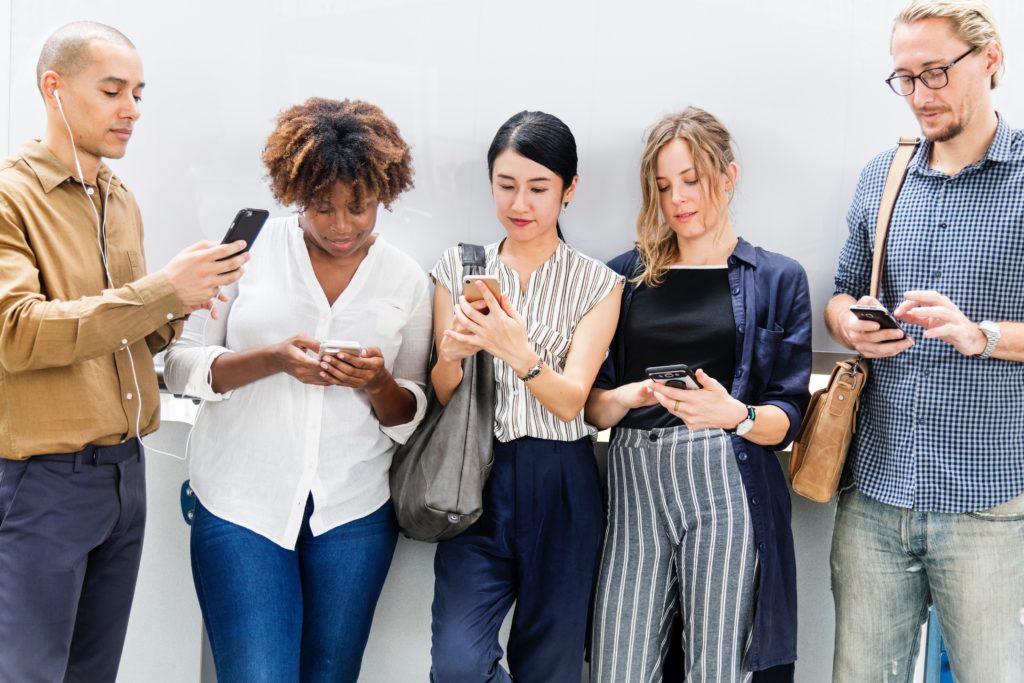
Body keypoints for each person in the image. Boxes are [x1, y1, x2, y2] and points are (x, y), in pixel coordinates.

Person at [0, 21, 247, 683]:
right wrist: (158, 290)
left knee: (92, 672)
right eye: (113, 90)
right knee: (28, 672)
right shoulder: (9, 198)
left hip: (124, 475)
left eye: (139, 92)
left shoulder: (118, 198)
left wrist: (178, 302)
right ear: (53, 88)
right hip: (41, 482)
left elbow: (120, 337)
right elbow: (17, 333)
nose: (132, 109)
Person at [163, 98, 432, 682]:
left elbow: (410, 414)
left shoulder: (406, 279)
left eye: (358, 207)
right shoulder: (243, 256)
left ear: (383, 194)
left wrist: (379, 382)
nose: (340, 225)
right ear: (294, 192)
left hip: (354, 513)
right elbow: (179, 366)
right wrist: (270, 360)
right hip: (240, 506)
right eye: (321, 206)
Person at [825, 1, 1024, 680]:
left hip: (989, 506)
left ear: (990, 59)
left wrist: (982, 334)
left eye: (935, 73)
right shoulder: (884, 175)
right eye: (904, 78)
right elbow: (842, 292)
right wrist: (847, 322)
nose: (919, 95)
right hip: (875, 497)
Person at [586, 107, 812, 683]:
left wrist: (733, 414)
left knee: (721, 667)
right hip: (634, 483)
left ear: (728, 177)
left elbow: (789, 415)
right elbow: (592, 403)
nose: (678, 199)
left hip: (727, 484)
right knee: (620, 664)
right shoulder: (623, 278)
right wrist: (629, 397)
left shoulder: (778, 278)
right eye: (664, 186)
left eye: (692, 180)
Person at [428, 110, 622, 682]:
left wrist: (517, 350)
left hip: (564, 481)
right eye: (505, 185)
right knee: (458, 666)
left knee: (551, 668)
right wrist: (451, 354)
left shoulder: (598, 283)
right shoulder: (457, 268)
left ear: (569, 190)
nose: (521, 203)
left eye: (539, 188)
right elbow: (444, 395)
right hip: (474, 478)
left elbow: (571, 402)